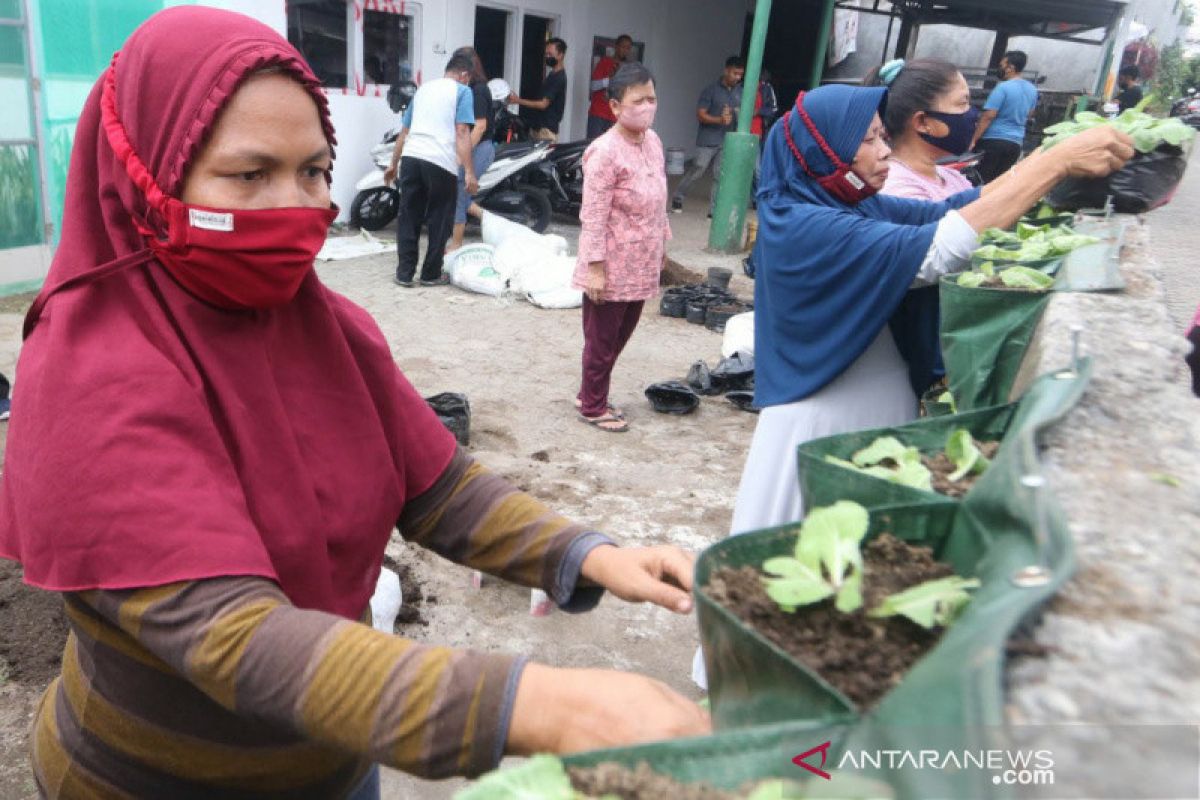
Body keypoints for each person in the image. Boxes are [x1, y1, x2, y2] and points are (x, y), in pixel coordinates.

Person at [0, 9, 711, 798]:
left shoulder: (322, 323)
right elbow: (235, 637)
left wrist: (589, 555)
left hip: (335, 755)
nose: (294, 205)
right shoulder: (91, 370)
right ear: (147, 178)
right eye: (248, 175)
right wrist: (534, 704)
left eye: (311, 171)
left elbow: (438, 488)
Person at [727, 84, 1132, 537]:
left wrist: (1047, 164)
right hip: (821, 419)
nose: (884, 152)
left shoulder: (857, 204)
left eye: (882, 136)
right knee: (802, 542)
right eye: (867, 141)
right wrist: (1054, 162)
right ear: (821, 152)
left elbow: (952, 211)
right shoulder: (803, 224)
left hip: (878, 402)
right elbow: (937, 251)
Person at [573, 63, 671, 433]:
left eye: (652, 98)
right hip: (611, 265)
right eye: (638, 100)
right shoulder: (604, 151)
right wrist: (595, 266)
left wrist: (662, 240)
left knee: (620, 336)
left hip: (641, 261)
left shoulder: (654, 142)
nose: (647, 106)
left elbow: (660, 197)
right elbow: (593, 214)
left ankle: (589, 393)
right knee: (601, 339)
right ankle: (593, 405)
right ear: (615, 107)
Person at [384, 54, 478, 287]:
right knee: (440, 218)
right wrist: (469, 171)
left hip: (412, 158)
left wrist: (393, 164)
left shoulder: (423, 90)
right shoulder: (463, 91)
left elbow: (404, 132)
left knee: (408, 216)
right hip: (439, 161)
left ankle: (404, 274)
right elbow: (463, 131)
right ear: (464, 75)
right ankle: (430, 274)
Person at [867, 58, 978, 202]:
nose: (971, 113)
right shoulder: (899, 190)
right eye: (962, 103)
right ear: (922, 122)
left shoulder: (952, 177)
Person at [671, 56, 745, 215]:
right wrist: (720, 119)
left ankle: (713, 211)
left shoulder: (741, 92)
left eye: (740, 74)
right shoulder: (710, 90)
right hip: (708, 139)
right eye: (734, 73)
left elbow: (744, 113)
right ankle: (678, 196)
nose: (737, 78)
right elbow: (700, 114)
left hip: (727, 140)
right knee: (698, 170)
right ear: (726, 71)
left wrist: (738, 115)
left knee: (720, 175)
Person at [447, 47, 496, 254]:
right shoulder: (468, 90)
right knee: (461, 195)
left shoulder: (478, 90)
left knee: (460, 192)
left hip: (480, 148)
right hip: (473, 147)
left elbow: (480, 126)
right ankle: (492, 222)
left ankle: (457, 245)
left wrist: (462, 156)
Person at [971, 50, 1039, 184]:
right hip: (1015, 144)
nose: (1000, 68)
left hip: (993, 141)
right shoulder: (1032, 89)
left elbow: (989, 116)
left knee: (979, 181)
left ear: (1011, 68)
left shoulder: (1003, 88)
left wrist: (973, 140)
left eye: (1002, 65)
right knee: (997, 184)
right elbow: (1030, 113)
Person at [509, 37, 569, 142]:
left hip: (546, 131)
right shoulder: (552, 74)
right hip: (538, 128)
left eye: (550, 54)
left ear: (560, 55)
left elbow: (543, 104)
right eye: (546, 54)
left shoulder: (559, 78)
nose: (547, 57)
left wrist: (518, 100)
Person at [587, 34, 634, 139]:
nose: (625, 50)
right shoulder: (605, 62)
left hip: (615, 116)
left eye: (628, 48)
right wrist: (609, 80)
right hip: (598, 114)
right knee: (593, 147)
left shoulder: (628, 68)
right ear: (616, 47)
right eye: (623, 47)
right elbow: (593, 86)